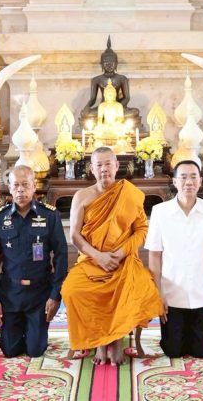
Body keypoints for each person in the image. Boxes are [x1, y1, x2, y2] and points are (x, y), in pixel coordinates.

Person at [61, 147, 161, 364]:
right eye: (99, 165)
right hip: (91, 260)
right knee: (71, 290)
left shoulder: (129, 194)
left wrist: (121, 252)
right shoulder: (82, 196)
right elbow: (75, 236)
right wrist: (99, 256)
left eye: (108, 164)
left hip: (124, 260)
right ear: (92, 169)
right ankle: (99, 342)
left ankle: (115, 340)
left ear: (116, 166)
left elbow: (141, 229)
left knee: (138, 288)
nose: (104, 169)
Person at [146, 159, 203, 358]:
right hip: (172, 294)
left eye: (193, 177)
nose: (188, 182)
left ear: (200, 181)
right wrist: (158, 293)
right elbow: (154, 255)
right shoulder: (160, 212)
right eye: (183, 177)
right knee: (173, 351)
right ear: (175, 182)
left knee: (201, 351)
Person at [0, 165, 68, 358]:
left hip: (39, 294)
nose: (21, 190)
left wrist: (55, 295)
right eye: (16, 185)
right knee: (10, 351)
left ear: (34, 186)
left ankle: (33, 332)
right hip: (10, 294)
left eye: (25, 185)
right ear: (10, 188)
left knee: (35, 350)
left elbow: (61, 255)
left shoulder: (49, 216)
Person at [80, 38, 139, 125]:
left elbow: (127, 98)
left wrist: (117, 107)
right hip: (103, 107)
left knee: (135, 112)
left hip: (118, 106)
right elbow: (92, 99)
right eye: (106, 62)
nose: (109, 65)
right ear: (101, 64)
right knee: (85, 114)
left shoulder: (122, 78)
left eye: (112, 62)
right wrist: (87, 107)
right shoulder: (96, 80)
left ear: (116, 63)